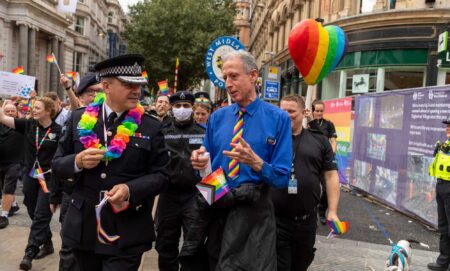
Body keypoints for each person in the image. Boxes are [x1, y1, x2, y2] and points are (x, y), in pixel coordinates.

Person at [52, 54, 170, 271]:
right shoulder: (78, 119)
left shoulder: (150, 126)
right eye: (128, 85)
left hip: (126, 230)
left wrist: (129, 189)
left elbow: (162, 175)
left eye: (139, 85)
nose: (137, 91)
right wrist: (76, 161)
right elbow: (57, 164)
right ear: (106, 86)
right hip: (84, 229)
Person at [190, 50, 292, 270]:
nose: (228, 83)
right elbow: (206, 164)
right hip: (216, 208)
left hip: (253, 218)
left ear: (253, 75)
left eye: (234, 76)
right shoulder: (217, 117)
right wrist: (199, 162)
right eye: (225, 77)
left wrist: (257, 163)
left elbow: (283, 179)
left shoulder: (279, 118)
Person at [273, 94, 340, 271]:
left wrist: (332, 211)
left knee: (301, 264)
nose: (286, 115)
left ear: (303, 113)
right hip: (276, 219)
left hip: (306, 221)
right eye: (282, 111)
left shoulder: (320, 140)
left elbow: (331, 176)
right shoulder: (271, 140)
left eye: (291, 111)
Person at [0, 97, 62, 270]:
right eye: (33, 108)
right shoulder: (28, 125)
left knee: (42, 214)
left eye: (37, 108)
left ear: (48, 111)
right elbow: (3, 118)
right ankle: (47, 242)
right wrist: (3, 105)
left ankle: (30, 252)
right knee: (31, 208)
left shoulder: (59, 131)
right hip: (30, 177)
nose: (33, 110)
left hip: (48, 179)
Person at [155, 91, 206, 271]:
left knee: (194, 245)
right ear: (171, 108)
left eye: (186, 106)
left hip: (194, 195)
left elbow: (214, 167)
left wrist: (214, 200)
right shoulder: (161, 132)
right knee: (165, 244)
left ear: (192, 108)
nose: (182, 109)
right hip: (168, 195)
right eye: (177, 106)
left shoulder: (203, 133)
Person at [306, 99, 338, 224]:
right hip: (312, 158)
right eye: (317, 111)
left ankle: (322, 211)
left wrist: (332, 154)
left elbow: (333, 140)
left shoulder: (329, 124)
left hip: (324, 159)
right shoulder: (307, 123)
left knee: (326, 189)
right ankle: (310, 210)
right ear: (312, 111)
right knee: (310, 186)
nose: (319, 113)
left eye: (321, 111)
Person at [428, 117, 450, 271]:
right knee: (443, 227)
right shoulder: (445, 145)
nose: (447, 128)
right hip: (441, 186)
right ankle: (443, 263)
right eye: (447, 125)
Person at [0, 103, 24, 228]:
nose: (10, 113)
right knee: (4, 186)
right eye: (7, 111)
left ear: (16, 112)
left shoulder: (21, 125)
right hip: (1, 162)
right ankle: (14, 205)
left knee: (8, 188)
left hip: (15, 163)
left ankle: (3, 216)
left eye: (12, 111)